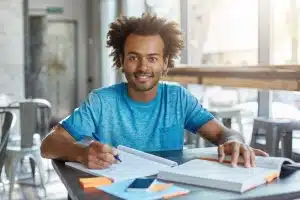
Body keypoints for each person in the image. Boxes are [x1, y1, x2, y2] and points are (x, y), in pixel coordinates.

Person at [40, 13, 268, 170]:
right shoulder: (101, 101)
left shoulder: (178, 98)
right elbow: (49, 144)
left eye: (152, 58)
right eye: (133, 58)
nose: (142, 68)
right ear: (120, 61)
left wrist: (235, 141)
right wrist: (82, 152)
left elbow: (222, 134)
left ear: (165, 63)